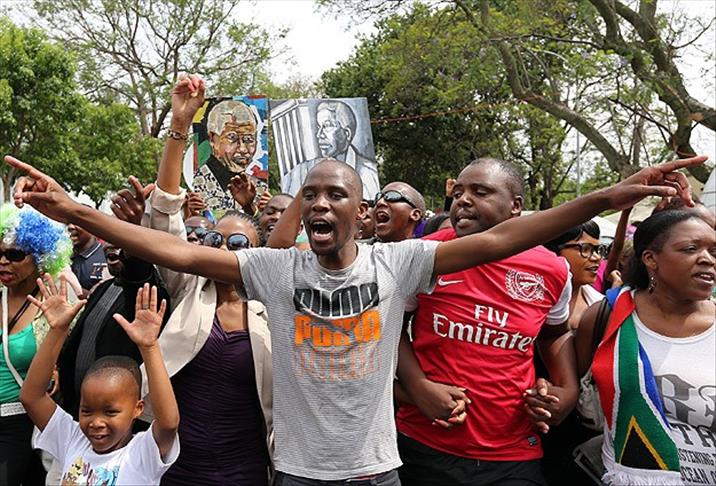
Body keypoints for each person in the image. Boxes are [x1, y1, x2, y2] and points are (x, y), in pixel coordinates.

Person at [6, 74, 704, 484]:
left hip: (378, 470)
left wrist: (608, 195)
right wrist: (74, 211)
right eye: (309, 194)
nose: (319, 203)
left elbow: (500, 238)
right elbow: (178, 252)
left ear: (357, 209)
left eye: (334, 194)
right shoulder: (275, 268)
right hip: (296, 472)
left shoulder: (398, 262)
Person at [394, 158, 575, 486]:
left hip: (513, 453)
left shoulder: (553, 269)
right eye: (458, 193)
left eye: (480, 192)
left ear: (515, 206)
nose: (463, 200)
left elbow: (555, 334)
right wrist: (419, 387)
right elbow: (390, 328)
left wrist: (567, 390)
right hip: (424, 446)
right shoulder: (423, 254)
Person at [138, 82, 273, 484]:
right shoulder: (189, 290)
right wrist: (180, 123)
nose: (221, 249)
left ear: (256, 254)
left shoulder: (272, 308)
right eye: (214, 240)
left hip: (245, 470)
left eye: (237, 244)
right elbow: (164, 212)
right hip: (176, 466)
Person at [575, 210, 715, 485]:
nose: (707, 259)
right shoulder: (605, 316)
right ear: (650, 259)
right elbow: (579, 387)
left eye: (714, 251)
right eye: (690, 249)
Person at [20, 279, 179, 485]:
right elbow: (31, 397)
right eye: (86, 411)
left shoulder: (142, 453)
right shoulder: (72, 439)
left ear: (138, 408)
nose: (96, 423)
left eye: (110, 412)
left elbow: (168, 423)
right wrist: (57, 330)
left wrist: (149, 347)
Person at [58, 180, 171, 421]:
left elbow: (138, 275)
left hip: (118, 425)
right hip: (79, 415)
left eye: (121, 237)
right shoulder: (103, 289)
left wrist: (133, 232)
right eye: (109, 235)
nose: (112, 243)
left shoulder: (148, 294)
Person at [0, 204, 73, 486]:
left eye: (14, 254)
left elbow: (70, 360)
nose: (3, 261)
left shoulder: (54, 305)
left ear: (41, 256)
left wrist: (58, 369)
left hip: (21, 424)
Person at [283, 100, 380, 200]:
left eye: (327, 126)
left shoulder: (369, 174)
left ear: (347, 134)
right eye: (318, 127)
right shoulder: (299, 173)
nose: (319, 135)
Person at [192, 99, 261, 211]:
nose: (243, 149)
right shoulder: (196, 186)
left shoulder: (259, 189)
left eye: (249, 139)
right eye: (232, 138)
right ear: (212, 139)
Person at [544, 221, 607, 330]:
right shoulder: (531, 299)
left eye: (597, 250)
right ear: (554, 250)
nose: (596, 257)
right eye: (585, 249)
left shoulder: (600, 304)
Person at [68, 221, 106, 297]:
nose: (70, 227)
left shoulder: (106, 257)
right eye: (66, 223)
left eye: (75, 221)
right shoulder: (59, 258)